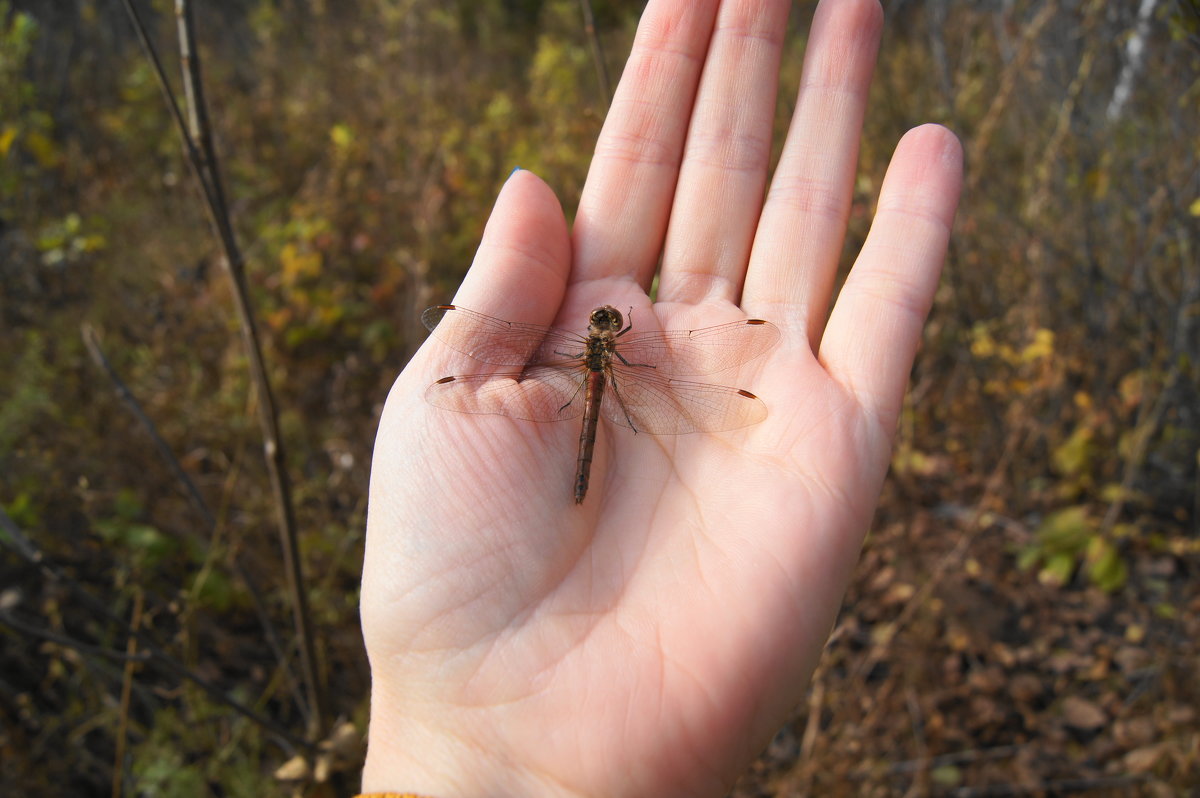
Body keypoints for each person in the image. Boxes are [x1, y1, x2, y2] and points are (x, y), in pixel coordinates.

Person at [359, 0, 961, 795]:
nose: (607, 321)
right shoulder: (618, 355)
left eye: (604, 321)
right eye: (607, 321)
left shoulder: (595, 352)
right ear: (608, 332)